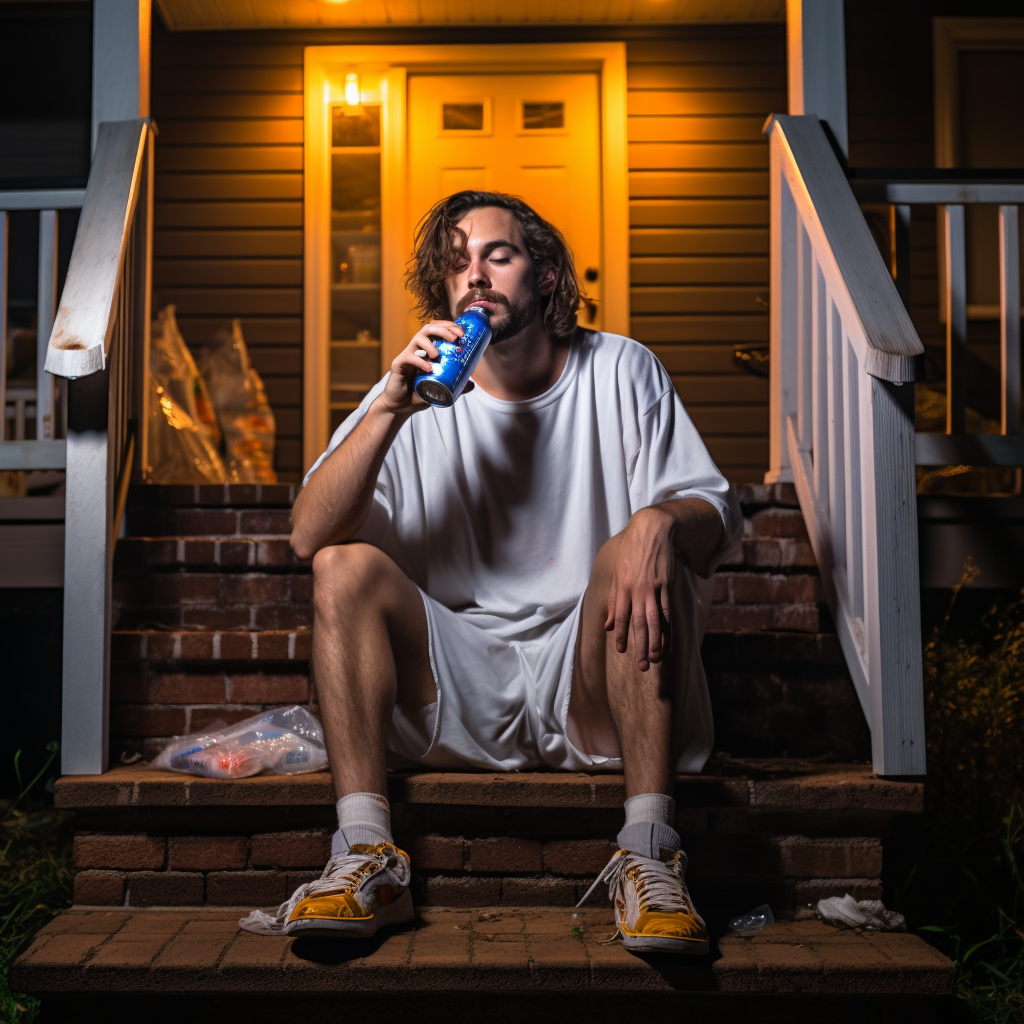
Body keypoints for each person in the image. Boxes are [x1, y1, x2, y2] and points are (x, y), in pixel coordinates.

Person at [240, 190, 742, 953]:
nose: (473, 276)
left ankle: (647, 851)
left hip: (592, 678)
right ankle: (366, 856)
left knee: (643, 542)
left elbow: (715, 522)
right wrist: (386, 410)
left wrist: (660, 521)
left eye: (496, 255)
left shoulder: (620, 368)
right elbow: (308, 538)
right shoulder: (411, 397)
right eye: (455, 264)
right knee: (345, 564)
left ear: (544, 276)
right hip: (456, 686)